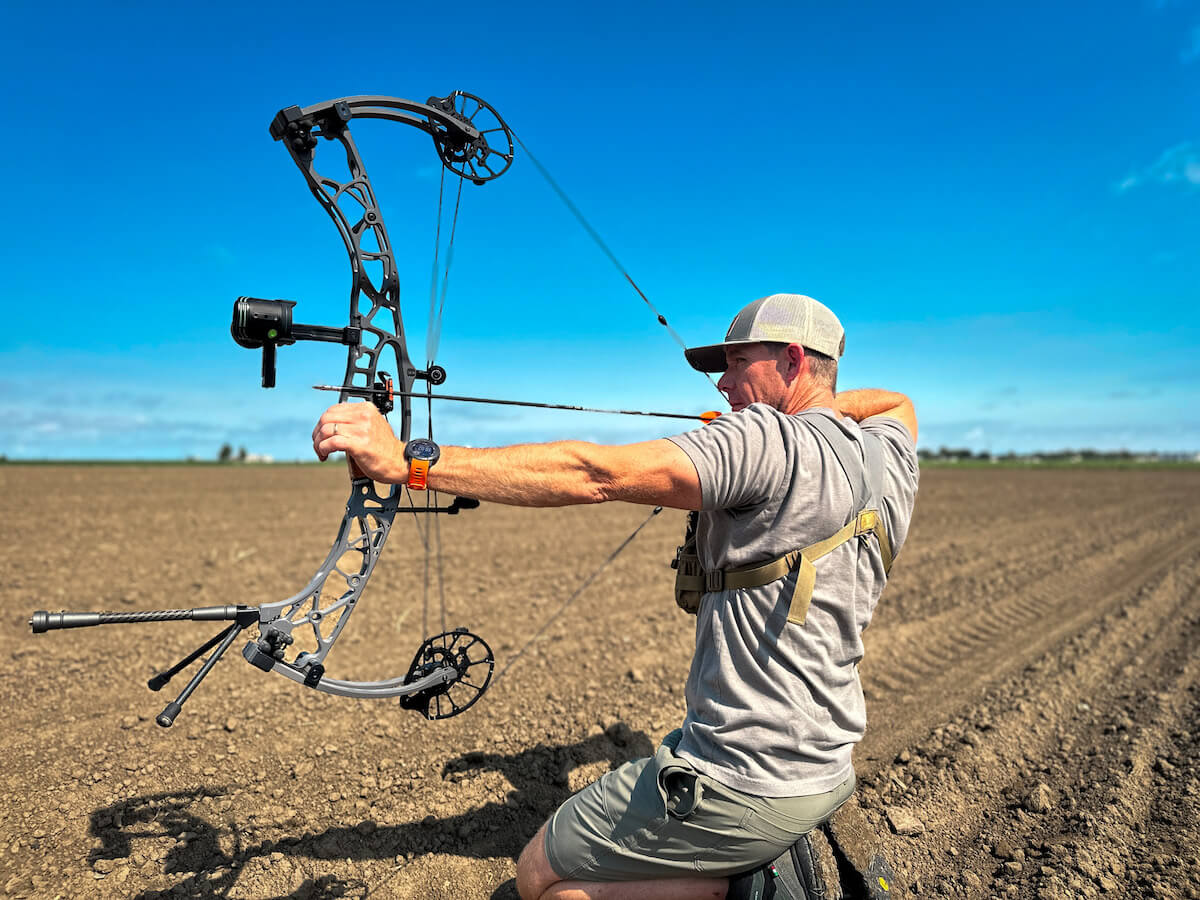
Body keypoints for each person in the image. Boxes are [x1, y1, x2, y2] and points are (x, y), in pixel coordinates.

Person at [312, 293, 919, 900]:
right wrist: (821, 411)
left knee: (540, 881)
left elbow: (593, 474)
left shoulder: (762, 441)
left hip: (743, 775)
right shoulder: (889, 452)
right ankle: (752, 872)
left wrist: (407, 462)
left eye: (736, 363)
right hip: (825, 767)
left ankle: (756, 884)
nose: (724, 384)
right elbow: (898, 402)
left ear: (791, 359)